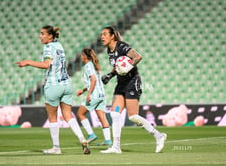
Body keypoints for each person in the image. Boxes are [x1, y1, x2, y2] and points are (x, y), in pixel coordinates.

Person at [15, 25, 90, 155]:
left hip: (53, 85)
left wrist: (27, 62)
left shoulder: (48, 47)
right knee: (68, 115)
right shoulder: (59, 45)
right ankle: (82, 138)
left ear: (50, 36)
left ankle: (56, 148)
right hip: (66, 84)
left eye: (42, 33)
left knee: (52, 117)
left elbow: (46, 65)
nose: (40, 36)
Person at [100, 26, 167, 154]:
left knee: (133, 116)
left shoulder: (122, 46)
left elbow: (137, 57)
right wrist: (110, 75)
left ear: (112, 36)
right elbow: (118, 66)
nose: (102, 37)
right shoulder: (109, 50)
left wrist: (128, 67)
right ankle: (116, 146)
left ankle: (159, 136)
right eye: (101, 35)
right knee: (114, 113)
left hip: (132, 82)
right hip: (121, 83)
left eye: (104, 34)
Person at [76, 48, 112, 146]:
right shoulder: (95, 66)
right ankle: (108, 140)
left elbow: (93, 80)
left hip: (94, 95)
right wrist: (83, 91)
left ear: (85, 56)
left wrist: (88, 94)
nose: (81, 57)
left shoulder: (88, 66)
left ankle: (91, 134)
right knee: (102, 117)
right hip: (102, 95)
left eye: (82, 55)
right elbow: (94, 82)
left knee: (80, 114)